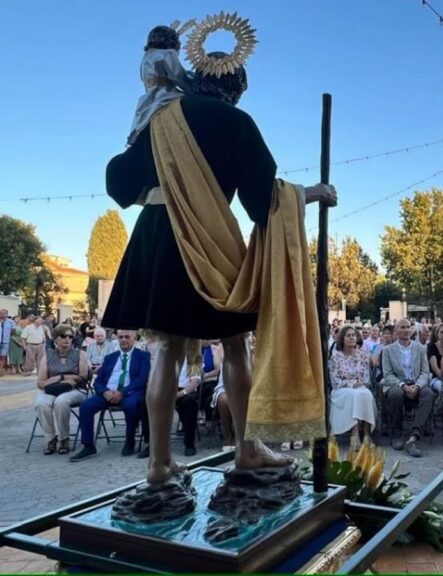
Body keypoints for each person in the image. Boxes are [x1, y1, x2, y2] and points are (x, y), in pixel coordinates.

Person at [102, 30, 337, 489]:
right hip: (207, 240)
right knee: (233, 342)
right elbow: (262, 199)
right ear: (235, 89)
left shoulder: (159, 118)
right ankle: (247, 452)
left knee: (166, 348)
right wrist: (313, 193)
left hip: (153, 239)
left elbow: (119, 184)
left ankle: (158, 465)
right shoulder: (236, 121)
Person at [70, 330, 151, 462]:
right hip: (108, 392)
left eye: (127, 337)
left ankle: (130, 441)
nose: (124, 340)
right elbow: (99, 381)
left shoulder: (143, 356)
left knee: (131, 406)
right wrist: (105, 392)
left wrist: (122, 392)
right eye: (121, 337)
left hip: (129, 392)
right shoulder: (110, 357)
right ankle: (88, 446)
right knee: (85, 406)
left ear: (134, 338)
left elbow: (141, 379)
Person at [127, 24, 194, 146]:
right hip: (167, 96)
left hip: (148, 100)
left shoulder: (145, 58)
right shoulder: (167, 54)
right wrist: (195, 89)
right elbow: (179, 77)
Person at [381, 318, 435, 457]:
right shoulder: (387, 350)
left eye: (408, 327)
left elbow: (425, 372)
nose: (406, 330)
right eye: (402, 327)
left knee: (428, 393)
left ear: (412, 330)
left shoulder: (421, 348)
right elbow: (387, 374)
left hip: (416, 383)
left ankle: (414, 436)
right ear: (396, 332)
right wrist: (403, 386)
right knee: (395, 394)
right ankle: (397, 434)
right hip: (397, 384)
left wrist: (417, 386)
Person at [33, 324, 89, 455]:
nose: (67, 339)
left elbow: (82, 377)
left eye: (70, 336)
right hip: (52, 389)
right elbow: (40, 383)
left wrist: (61, 377)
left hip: (75, 390)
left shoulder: (80, 354)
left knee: (61, 402)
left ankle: (64, 438)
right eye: (63, 336)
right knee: (41, 403)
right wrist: (61, 378)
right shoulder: (47, 356)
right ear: (55, 339)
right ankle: (50, 438)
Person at [329, 325, 376, 449]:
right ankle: (354, 433)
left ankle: (366, 433)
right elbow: (334, 381)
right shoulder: (336, 357)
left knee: (366, 394)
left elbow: (366, 378)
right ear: (342, 339)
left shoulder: (362, 356)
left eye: (353, 335)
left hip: (360, 387)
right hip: (341, 390)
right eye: (348, 335)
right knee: (353, 395)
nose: (351, 338)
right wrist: (351, 384)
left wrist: (360, 383)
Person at [427, 323, 443, 393]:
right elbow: (434, 366)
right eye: (442, 332)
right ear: (437, 334)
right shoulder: (431, 346)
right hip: (436, 378)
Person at [0, 309, 14, 375]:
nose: (2, 314)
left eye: (4, 313)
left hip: (5, 342)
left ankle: (0, 370)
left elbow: (12, 331)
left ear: (7, 314)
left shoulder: (11, 322)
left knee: (3, 356)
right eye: (1, 313)